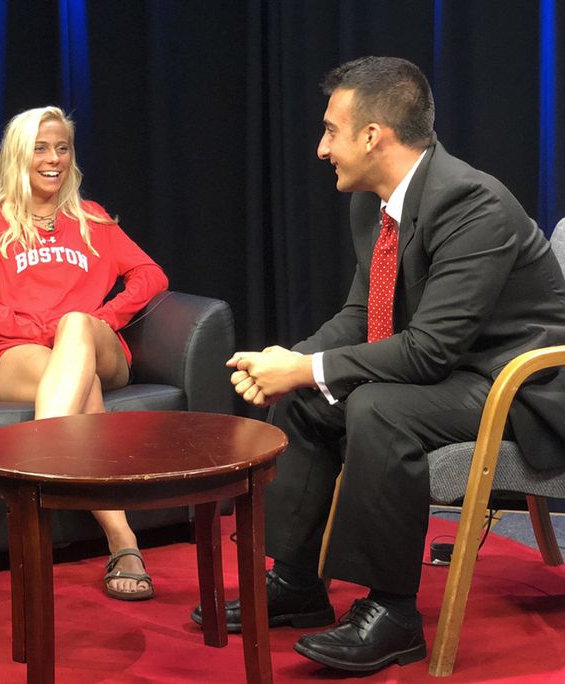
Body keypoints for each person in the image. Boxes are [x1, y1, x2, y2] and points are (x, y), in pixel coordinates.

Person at [191, 56, 565, 673]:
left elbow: (429, 349)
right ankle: (297, 582)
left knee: (377, 406)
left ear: (373, 135)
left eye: (331, 131)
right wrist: (291, 361)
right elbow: (364, 314)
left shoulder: (474, 204)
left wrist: (309, 368)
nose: (320, 148)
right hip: (456, 370)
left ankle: (391, 613)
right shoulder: (375, 202)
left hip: (521, 385)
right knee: (313, 398)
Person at [0, 106, 169, 601]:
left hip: (95, 344)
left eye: (62, 148)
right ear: (18, 154)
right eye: (40, 147)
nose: (53, 159)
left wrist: (104, 319)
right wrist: (41, 331)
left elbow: (151, 275)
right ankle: (123, 540)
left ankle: (37, 481)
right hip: (17, 354)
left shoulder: (91, 218)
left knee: (78, 325)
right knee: (81, 382)